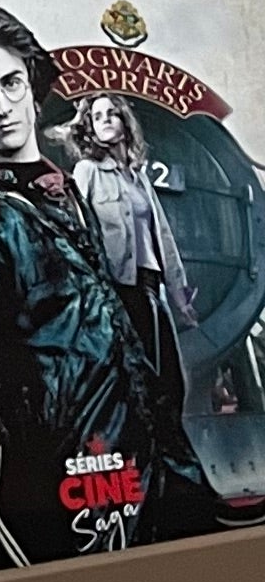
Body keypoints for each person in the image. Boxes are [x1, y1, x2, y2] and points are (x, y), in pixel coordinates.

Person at [0, 7, 221, 566]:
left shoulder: (60, 189)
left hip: (135, 444)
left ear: (33, 88)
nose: (1, 104)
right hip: (66, 470)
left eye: (11, 82)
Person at [67, 89, 199, 446]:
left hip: (152, 286)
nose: (106, 120)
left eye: (112, 113)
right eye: (97, 117)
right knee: (137, 381)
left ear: (125, 121)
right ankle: (142, 455)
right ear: (90, 129)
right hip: (118, 288)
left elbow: (164, 237)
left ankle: (168, 454)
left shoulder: (138, 177)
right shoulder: (87, 171)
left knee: (172, 381)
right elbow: (77, 232)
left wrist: (180, 295)